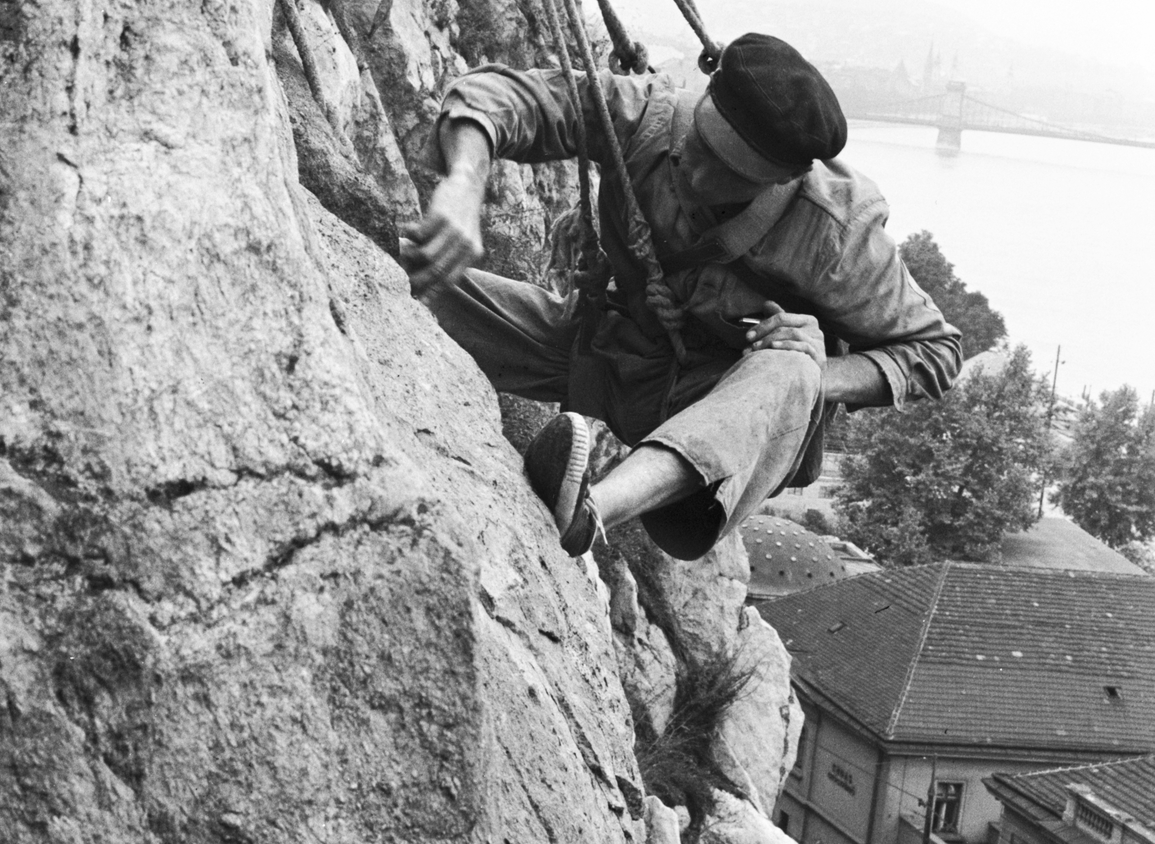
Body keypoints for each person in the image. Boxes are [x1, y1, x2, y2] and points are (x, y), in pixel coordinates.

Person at [400, 33, 961, 560]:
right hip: (612, 358)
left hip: (719, 415)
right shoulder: (651, 115)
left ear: (778, 182)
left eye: (726, 170)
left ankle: (590, 512)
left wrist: (822, 370)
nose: (692, 167)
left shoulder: (837, 230)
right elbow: (501, 96)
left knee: (790, 370)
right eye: (698, 142)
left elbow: (937, 352)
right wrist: (465, 182)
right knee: (408, 267)